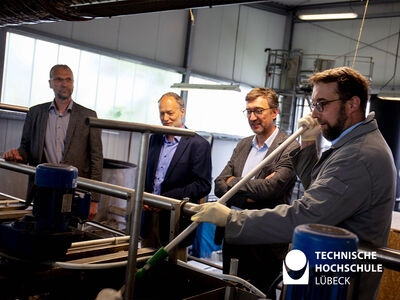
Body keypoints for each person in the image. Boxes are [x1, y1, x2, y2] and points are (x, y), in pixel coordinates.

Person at [192, 67, 396, 300]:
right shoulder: (352, 145)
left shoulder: (359, 155)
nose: (315, 114)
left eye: (322, 104)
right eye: (313, 105)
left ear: (352, 104)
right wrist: (309, 143)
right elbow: (316, 187)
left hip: (337, 281)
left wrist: (232, 219)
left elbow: (305, 215)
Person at [214, 87, 299, 295]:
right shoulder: (244, 145)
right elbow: (218, 185)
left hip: (265, 242)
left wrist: (233, 183)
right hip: (234, 235)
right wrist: (250, 194)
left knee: (259, 294)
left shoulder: (290, 147)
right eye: (249, 111)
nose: (253, 117)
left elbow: (270, 191)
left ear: (275, 112)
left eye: (259, 110)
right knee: (230, 291)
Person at [3, 64, 103, 219]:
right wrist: (17, 154)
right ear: (50, 83)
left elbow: (96, 159)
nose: (64, 84)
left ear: (73, 84)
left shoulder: (88, 116)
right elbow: (25, 148)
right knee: (40, 231)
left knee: (68, 233)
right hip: (43, 188)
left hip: (74, 190)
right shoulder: (35, 113)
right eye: (59, 79)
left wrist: (94, 199)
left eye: (68, 80)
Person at [141, 92, 212, 249]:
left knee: (172, 271)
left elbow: (203, 185)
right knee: (144, 267)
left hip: (176, 222)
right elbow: (148, 176)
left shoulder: (198, 145)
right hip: (150, 218)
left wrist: (166, 200)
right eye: (162, 113)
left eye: (170, 113)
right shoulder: (155, 139)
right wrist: (145, 197)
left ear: (182, 112)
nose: (165, 118)